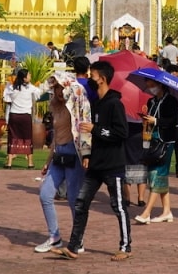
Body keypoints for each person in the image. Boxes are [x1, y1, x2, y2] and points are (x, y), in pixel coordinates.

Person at [54, 59, 132, 262]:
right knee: (81, 202)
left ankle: (126, 246)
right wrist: (87, 154)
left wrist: (96, 129)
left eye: (93, 75)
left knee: (119, 206)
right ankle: (73, 246)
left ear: (103, 79)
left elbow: (121, 133)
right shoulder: (94, 103)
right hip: (96, 164)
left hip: (113, 165)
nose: (90, 78)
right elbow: (89, 133)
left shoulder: (115, 104)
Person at [33, 71, 92, 254]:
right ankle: (55, 237)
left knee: (74, 199)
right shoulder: (56, 107)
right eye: (56, 87)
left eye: (61, 87)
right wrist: (47, 161)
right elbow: (56, 138)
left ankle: (77, 239)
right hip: (59, 155)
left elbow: (84, 130)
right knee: (45, 194)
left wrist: (86, 155)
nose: (58, 91)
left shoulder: (78, 104)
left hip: (75, 154)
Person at [134, 82, 178, 225]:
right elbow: (150, 118)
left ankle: (147, 212)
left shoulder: (171, 100)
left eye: (152, 85)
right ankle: (166, 211)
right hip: (152, 139)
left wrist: (157, 120)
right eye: (147, 85)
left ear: (160, 85)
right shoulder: (151, 101)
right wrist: (146, 120)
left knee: (157, 174)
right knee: (158, 174)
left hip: (165, 141)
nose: (150, 88)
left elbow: (175, 120)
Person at [3, 67, 43, 169]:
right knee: (27, 138)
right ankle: (30, 163)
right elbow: (39, 93)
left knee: (12, 137)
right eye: (29, 75)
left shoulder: (12, 87)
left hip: (14, 116)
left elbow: (5, 98)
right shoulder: (30, 87)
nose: (30, 76)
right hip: (25, 116)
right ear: (24, 78)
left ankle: (9, 163)